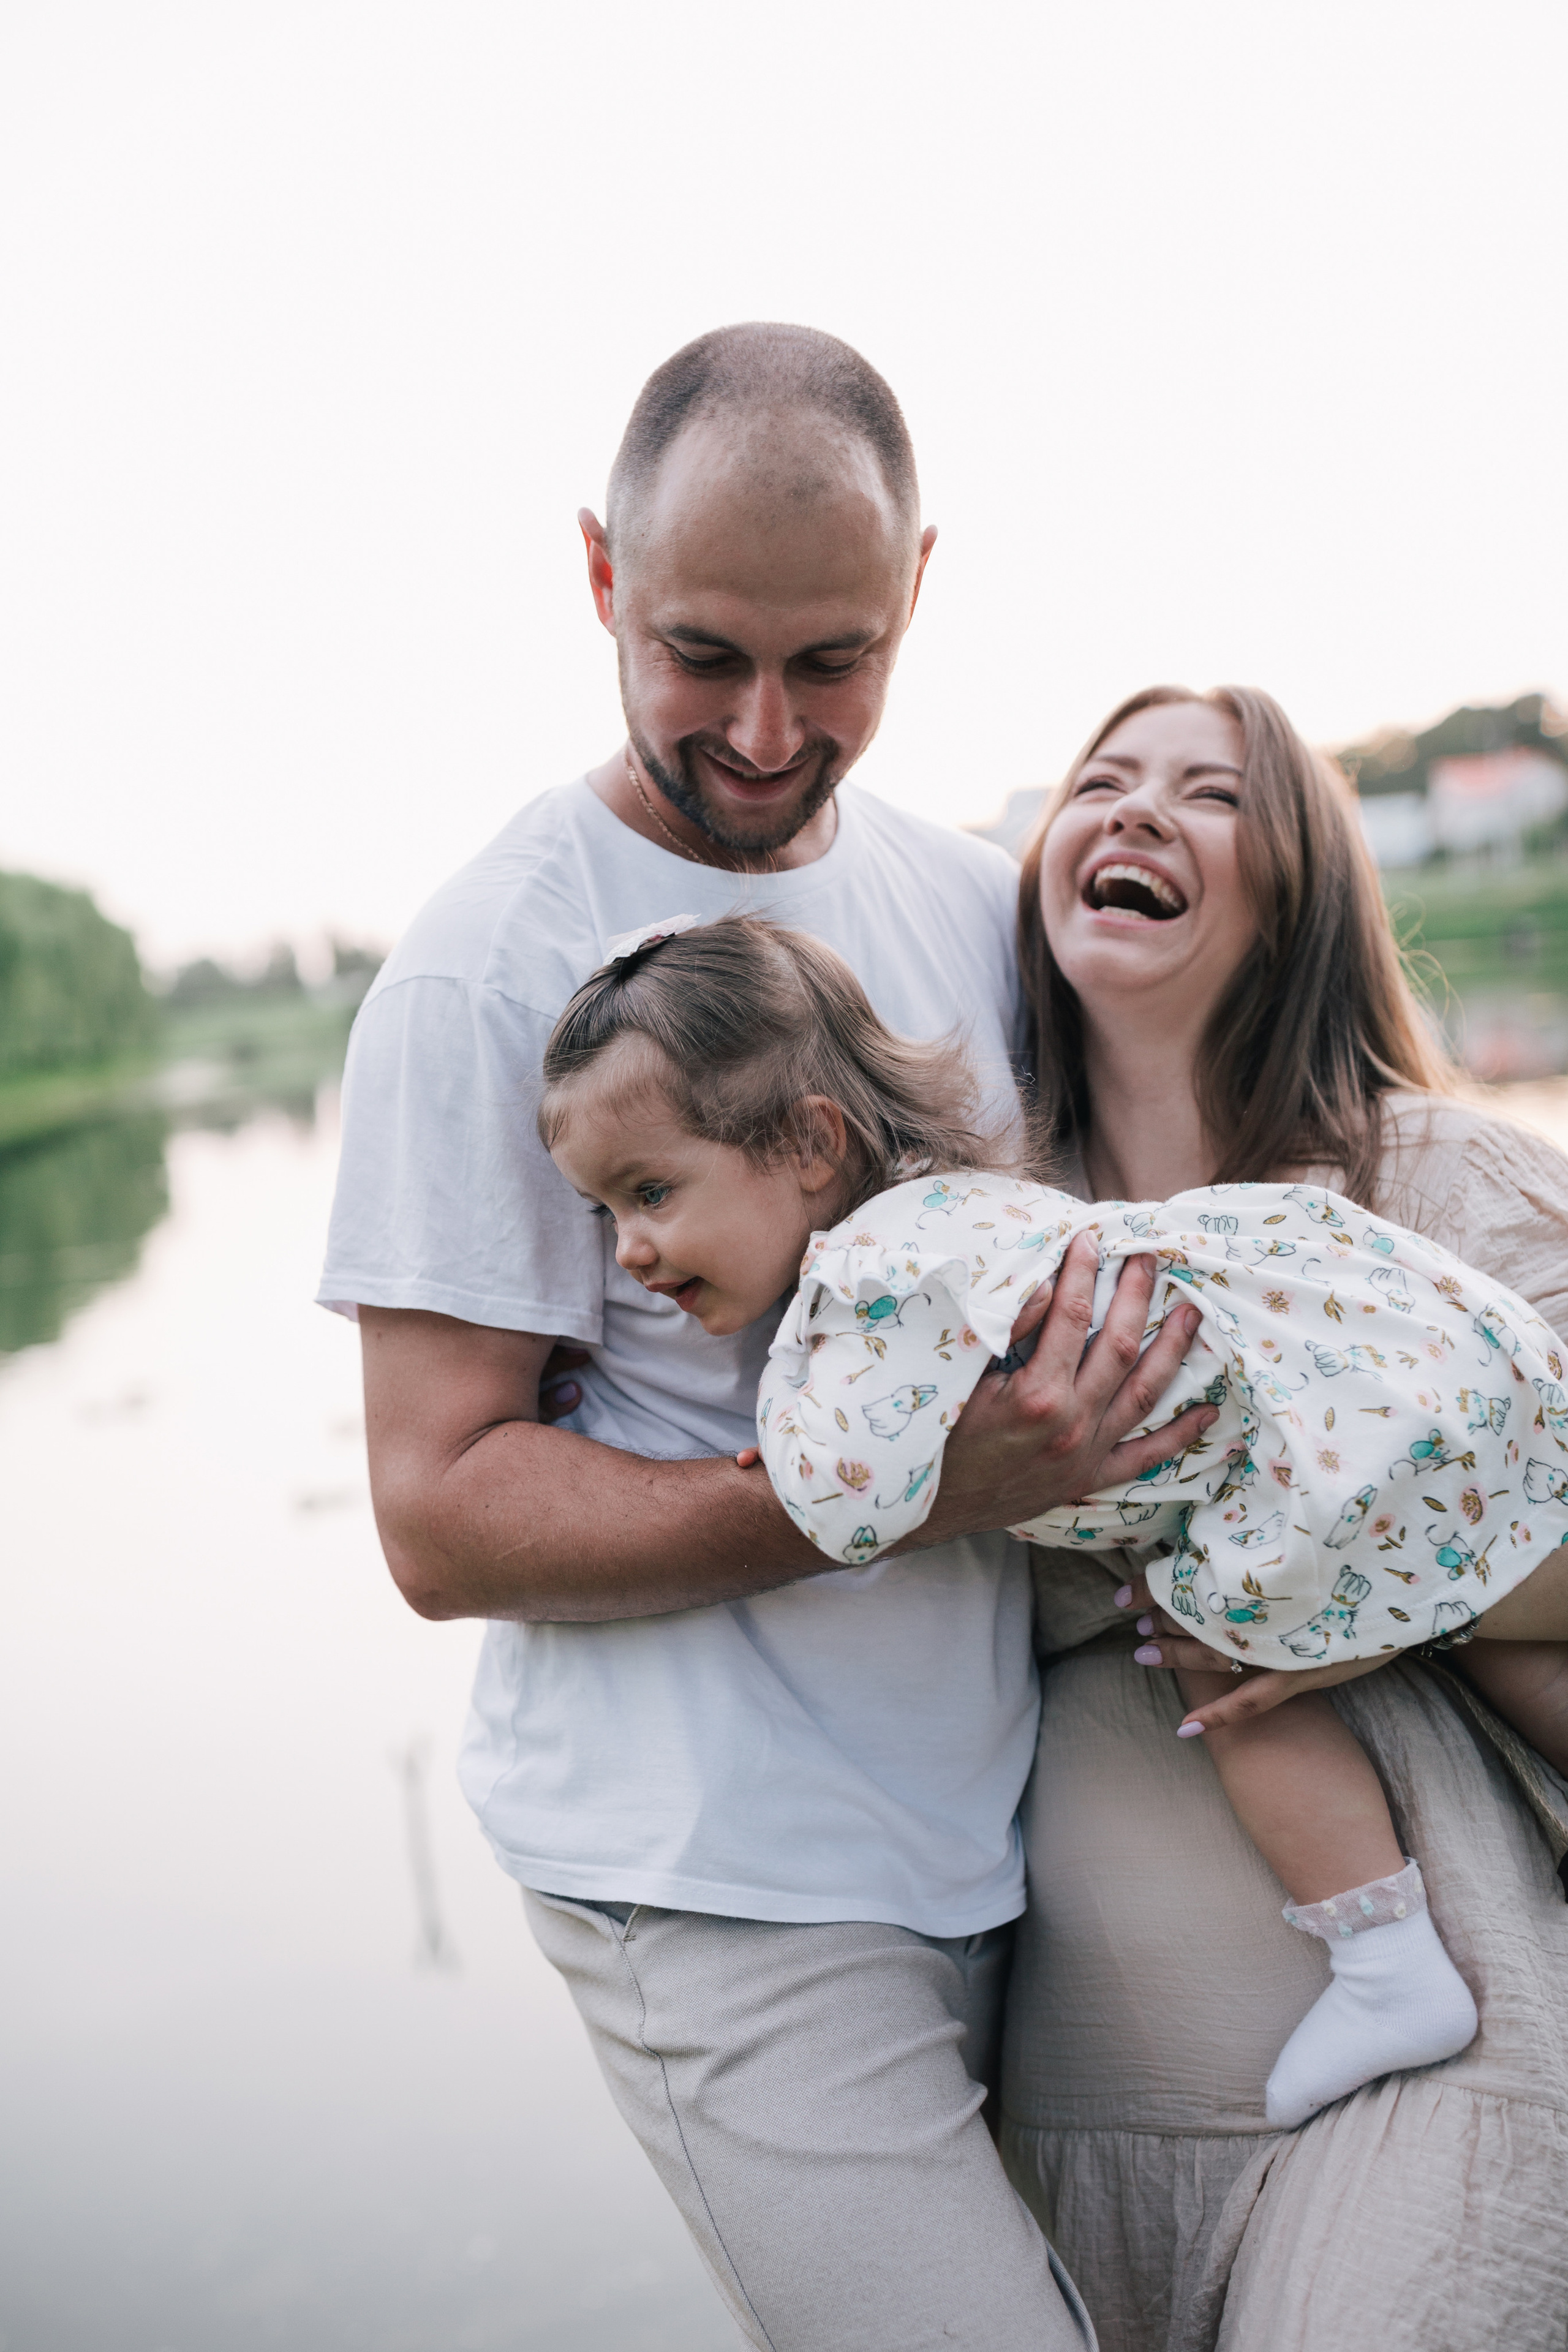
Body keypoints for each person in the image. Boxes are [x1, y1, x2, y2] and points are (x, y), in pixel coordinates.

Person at [319, 323, 1215, 2352]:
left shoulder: (983, 908)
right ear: (599, 578)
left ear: (917, 590)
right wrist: (895, 1490)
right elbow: (438, 1518)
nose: (758, 725)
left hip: (1007, 1824)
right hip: (710, 1871)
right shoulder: (484, 968)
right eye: (701, 651)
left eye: (832, 663)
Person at [535, 910, 1568, 2148]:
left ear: (811, 1144)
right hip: (1380, 1382)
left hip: (1317, 1469)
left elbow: (844, 1504)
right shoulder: (957, 1210)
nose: (630, 1252)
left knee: (1219, 1673)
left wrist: (785, 1446)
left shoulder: (872, 1278)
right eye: (602, 1213)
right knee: (1520, 1634)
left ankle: (1384, 1961)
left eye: (649, 1193)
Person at [997, 682, 1568, 2351]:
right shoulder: (975, 1247)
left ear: (1304, 891)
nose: (1135, 811)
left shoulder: (1447, 1187)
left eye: (1211, 794)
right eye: (1099, 780)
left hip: (1438, 2071)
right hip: (1075, 2117)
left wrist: (1346, 1591)